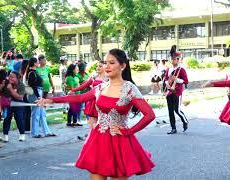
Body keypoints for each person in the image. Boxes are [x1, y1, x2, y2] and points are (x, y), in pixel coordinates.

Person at [37, 48, 155, 179]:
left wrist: (129, 131)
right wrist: (51, 100)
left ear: (122, 66)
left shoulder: (130, 88)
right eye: (106, 63)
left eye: (112, 63)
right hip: (99, 139)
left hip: (120, 141)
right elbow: (79, 98)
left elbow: (150, 115)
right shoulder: (101, 87)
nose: (107, 66)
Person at [70, 61, 108, 140]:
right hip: (93, 102)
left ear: (105, 67)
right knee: (92, 125)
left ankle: (98, 139)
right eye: (97, 66)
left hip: (103, 103)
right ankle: (91, 138)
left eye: (100, 66)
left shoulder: (108, 78)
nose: (98, 68)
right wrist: (73, 90)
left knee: (102, 125)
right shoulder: (94, 77)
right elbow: (84, 85)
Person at [26, 57, 55, 138]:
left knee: (42, 113)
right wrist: (38, 96)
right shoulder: (32, 73)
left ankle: (47, 131)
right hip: (36, 94)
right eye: (37, 62)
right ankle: (34, 133)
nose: (38, 63)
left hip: (39, 92)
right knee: (36, 114)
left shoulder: (34, 72)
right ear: (34, 63)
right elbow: (33, 86)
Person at [165, 46, 189, 134]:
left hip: (177, 92)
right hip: (169, 92)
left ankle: (185, 121)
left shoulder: (181, 70)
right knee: (170, 111)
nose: (172, 60)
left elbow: (186, 81)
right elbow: (165, 79)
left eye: (174, 59)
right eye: (172, 59)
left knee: (177, 110)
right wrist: (167, 83)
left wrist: (176, 79)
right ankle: (173, 128)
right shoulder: (168, 69)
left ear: (178, 60)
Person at [2, 71, 26, 142]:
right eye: (9, 76)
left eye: (12, 77)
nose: (10, 78)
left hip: (18, 103)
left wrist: (10, 89)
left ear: (17, 78)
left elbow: (19, 97)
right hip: (8, 103)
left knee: (19, 118)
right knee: (7, 118)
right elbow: (1, 93)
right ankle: (5, 135)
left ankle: (22, 134)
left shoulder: (21, 85)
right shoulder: (6, 83)